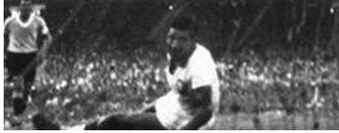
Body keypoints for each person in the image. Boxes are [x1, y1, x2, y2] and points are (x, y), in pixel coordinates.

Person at [33, 14, 220, 130]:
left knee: (121, 121)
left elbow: (206, 111)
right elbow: (177, 88)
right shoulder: (173, 54)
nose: (174, 44)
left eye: (182, 39)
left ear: (192, 41)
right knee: (128, 117)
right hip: (177, 103)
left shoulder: (199, 65)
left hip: (192, 120)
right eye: (171, 37)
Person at [4, 0, 51, 126]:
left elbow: (48, 38)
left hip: (31, 55)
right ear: (20, 7)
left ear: (31, 8)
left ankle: (21, 110)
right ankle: (17, 113)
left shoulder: (38, 21)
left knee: (27, 87)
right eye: (23, 5)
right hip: (14, 54)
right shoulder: (9, 21)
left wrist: (43, 52)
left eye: (28, 6)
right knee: (17, 84)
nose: (25, 8)